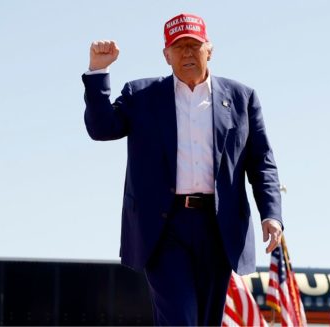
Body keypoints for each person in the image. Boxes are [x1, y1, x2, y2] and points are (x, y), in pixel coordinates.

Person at [82, 13, 283, 325]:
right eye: (178, 47)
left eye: (194, 45)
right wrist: (98, 70)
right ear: (166, 55)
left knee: (204, 321)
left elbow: (262, 163)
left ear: (209, 50)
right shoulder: (142, 96)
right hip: (164, 228)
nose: (187, 53)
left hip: (219, 228)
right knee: (180, 320)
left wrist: (271, 214)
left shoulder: (242, 99)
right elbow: (101, 128)